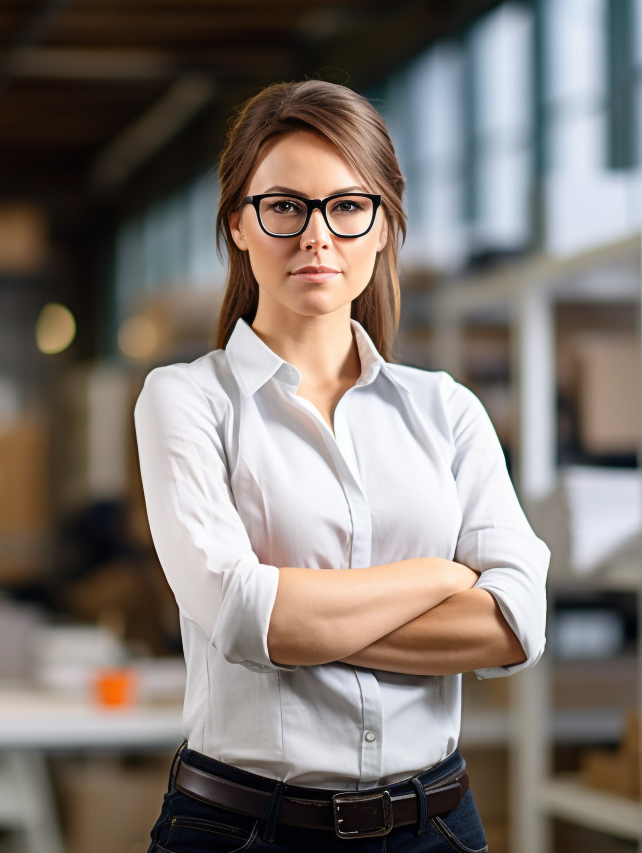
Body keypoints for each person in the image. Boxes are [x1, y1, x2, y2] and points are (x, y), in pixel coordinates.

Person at [133, 79, 549, 852]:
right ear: (239, 225)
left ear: (384, 226)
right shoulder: (185, 400)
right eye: (284, 206)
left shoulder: (446, 409)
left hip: (436, 828)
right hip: (244, 830)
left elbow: (514, 621)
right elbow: (238, 611)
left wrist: (295, 623)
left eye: (347, 206)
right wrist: (439, 578)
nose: (317, 237)